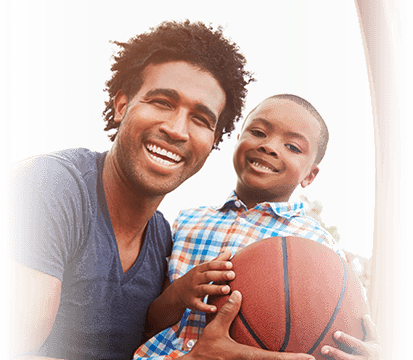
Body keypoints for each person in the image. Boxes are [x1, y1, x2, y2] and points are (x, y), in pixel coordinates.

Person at [9, 19, 308, 360]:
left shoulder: (164, 236)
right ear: (122, 105)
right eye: (163, 102)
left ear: (214, 142)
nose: (177, 129)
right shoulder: (47, 187)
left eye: (201, 119)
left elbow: (143, 341)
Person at [133, 94, 383, 360]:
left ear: (310, 175)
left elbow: (336, 331)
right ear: (239, 138)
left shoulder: (318, 246)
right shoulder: (189, 222)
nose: (270, 146)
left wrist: (365, 351)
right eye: (258, 132)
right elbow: (149, 321)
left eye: (293, 147)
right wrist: (178, 294)